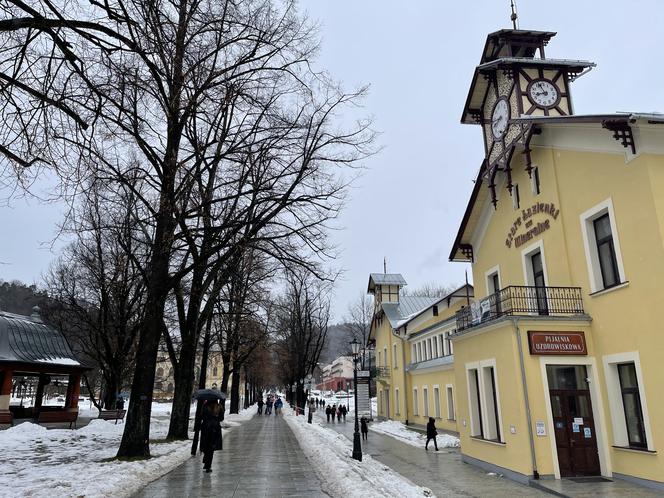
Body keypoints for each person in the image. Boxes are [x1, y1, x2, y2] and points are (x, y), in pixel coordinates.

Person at [200, 400, 222, 472]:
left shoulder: (205, 406)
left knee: (206, 445)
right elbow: (221, 418)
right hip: (215, 428)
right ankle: (208, 465)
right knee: (211, 447)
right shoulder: (219, 407)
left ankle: (206, 462)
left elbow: (202, 416)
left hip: (206, 428)